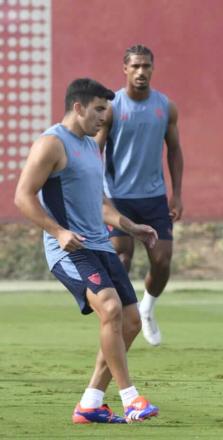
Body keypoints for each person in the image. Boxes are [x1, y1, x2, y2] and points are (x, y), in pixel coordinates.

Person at [14, 78, 159, 423]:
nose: (103, 118)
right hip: (68, 248)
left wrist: (129, 226)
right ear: (77, 107)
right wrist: (58, 231)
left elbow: (99, 202)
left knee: (132, 322)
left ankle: (91, 402)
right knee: (110, 308)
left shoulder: (91, 146)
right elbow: (23, 196)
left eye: (106, 111)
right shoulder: (51, 144)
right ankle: (130, 398)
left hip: (100, 245)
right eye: (98, 110)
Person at [95, 44, 184, 347]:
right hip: (118, 197)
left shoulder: (165, 107)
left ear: (152, 68)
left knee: (162, 261)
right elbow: (95, 150)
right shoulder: (112, 107)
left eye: (146, 66)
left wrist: (177, 194)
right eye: (135, 67)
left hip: (154, 197)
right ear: (125, 69)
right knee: (122, 257)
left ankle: (147, 308)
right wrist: (94, 192)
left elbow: (174, 150)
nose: (141, 72)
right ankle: (119, 318)